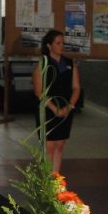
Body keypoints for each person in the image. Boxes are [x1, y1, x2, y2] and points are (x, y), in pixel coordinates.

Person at [32, 29, 81, 173]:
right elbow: (39, 91)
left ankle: (55, 178)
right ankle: (46, 180)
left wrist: (69, 106)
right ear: (49, 45)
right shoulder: (42, 64)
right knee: (49, 146)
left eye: (63, 43)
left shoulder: (70, 64)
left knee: (60, 145)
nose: (61, 46)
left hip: (65, 109)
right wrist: (54, 109)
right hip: (47, 109)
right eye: (58, 43)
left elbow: (76, 87)